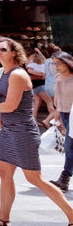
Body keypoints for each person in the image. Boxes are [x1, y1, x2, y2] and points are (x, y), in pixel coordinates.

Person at [0, 36, 73, 226]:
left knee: (34, 178)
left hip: (23, 131)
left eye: (3, 49)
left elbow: (10, 106)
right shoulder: (1, 72)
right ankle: (2, 218)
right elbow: (4, 100)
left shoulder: (18, 74)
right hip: (8, 130)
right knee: (4, 172)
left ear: (14, 52)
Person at [49, 51, 73, 192]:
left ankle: (64, 178)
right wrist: (57, 115)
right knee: (69, 147)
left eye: (59, 63)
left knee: (69, 146)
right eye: (54, 63)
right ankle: (64, 179)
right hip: (64, 114)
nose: (56, 66)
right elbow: (58, 99)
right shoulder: (58, 77)